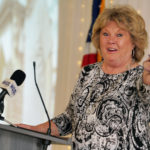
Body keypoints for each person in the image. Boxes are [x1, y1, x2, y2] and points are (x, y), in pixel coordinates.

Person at [18, 5, 150, 149]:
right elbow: (69, 118)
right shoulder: (88, 72)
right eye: (106, 34)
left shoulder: (142, 77)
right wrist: (35, 129)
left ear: (134, 42)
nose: (111, 40)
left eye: (119, 35)